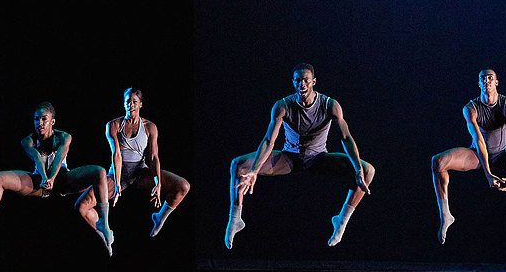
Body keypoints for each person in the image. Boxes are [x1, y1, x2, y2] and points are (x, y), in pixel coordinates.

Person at [226, 63, 375, 249]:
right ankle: (235, 218)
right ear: (293, 83)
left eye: (306, 80)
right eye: (298, 81)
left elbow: (346, 138)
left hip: (319, 159)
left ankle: (341, 220)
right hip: (289, 159)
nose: (301, 84)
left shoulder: (330, 105)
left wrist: (357, 168)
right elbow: (268, 141)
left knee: (368, 171)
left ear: (313, 81)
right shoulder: (283, 106)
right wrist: (255, 170)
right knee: (238, 165)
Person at [0, 102, 114, 255]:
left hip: (63, 180)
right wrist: (45, 178)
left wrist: (52, 178)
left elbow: (59, 157)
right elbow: (37, 158)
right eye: (36, 119)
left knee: (99, 172)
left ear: (52, 121)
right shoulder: (28, 141)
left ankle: (103, 222)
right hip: (39, 181)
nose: (39, 123)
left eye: (44, 119)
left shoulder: (64, 137)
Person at [431, 69, 506, 245]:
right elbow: (479, 142)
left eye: (490, 78)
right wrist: (488, 173)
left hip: (503, 154)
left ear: (496, 82)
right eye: (483, 78)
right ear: (478, 83)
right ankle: (446, 215)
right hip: (477, 155)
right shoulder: (470, 108)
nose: (487, 81)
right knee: (438, 161)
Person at [74, 88, 190, 238]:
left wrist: (158, 182)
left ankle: (159, 217)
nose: (131, 105)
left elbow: (154, 157)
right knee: (81, 206)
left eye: (135, 102)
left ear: (140, 104)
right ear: (124, 104)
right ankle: (104, 231)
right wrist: (116, 183)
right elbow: (116, 155)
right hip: (118, 173)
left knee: (183, 186)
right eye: (128, 102)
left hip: (140, 173)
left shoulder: (149, 127)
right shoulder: (114, 125)